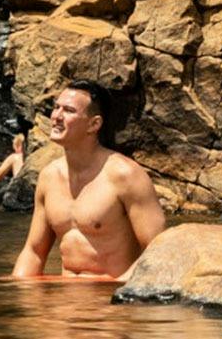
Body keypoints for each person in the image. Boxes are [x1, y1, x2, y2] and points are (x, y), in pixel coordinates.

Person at [11, 80, 166, 281]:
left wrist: (118, 291)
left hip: (111, 294)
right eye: (56, 107)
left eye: (68, 110)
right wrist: (19, 289)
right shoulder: (49, 177)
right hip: (65, 295)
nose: (56, 116)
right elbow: (33, 252)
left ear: (94, 124)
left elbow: (157, 250)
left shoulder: (126, 175)